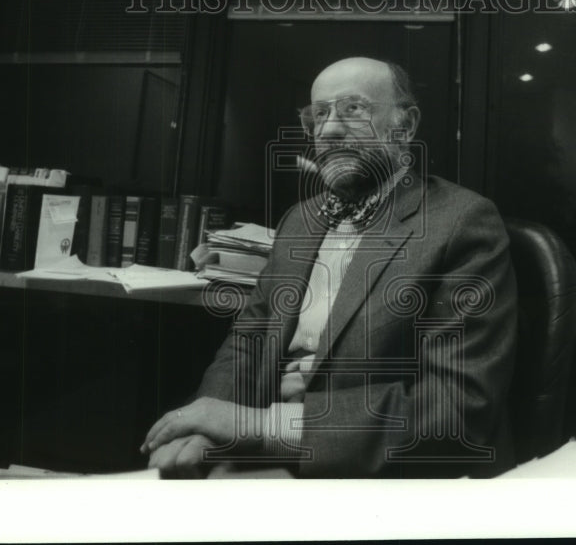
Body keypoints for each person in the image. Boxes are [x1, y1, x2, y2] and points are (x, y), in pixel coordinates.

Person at [142, 57, 518, 478]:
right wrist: (203, 425)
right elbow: (247, 340)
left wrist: (256, 425)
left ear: (406, 127)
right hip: (256, 458)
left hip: (381, 478)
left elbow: (455, 408)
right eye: (319, 114)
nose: (329, 129)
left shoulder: (463, 221)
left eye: (353, 109)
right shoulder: (300, 219)